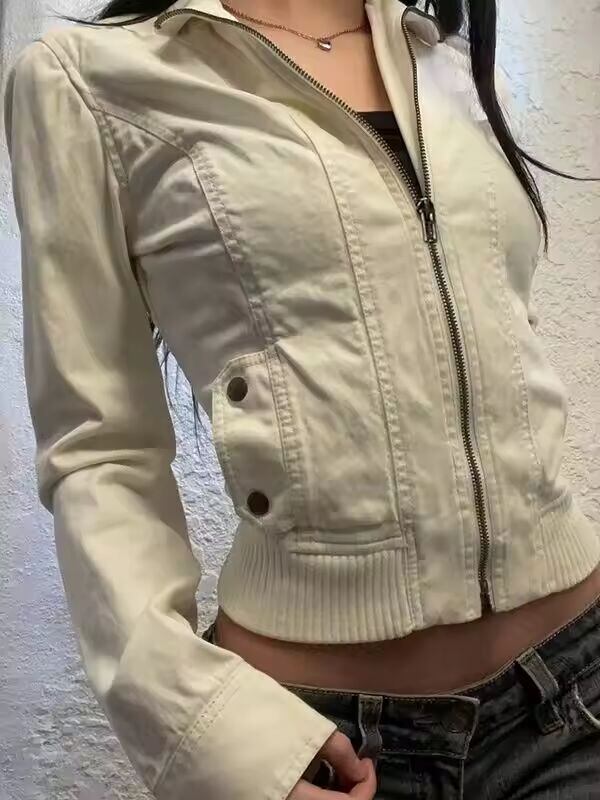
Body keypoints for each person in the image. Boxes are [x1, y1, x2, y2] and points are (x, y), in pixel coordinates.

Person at [4, 0, 600, 797]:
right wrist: (213, 734)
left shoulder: (443, 59)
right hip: (329, 746)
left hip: (576, 692)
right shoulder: (91, 82)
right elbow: (99, 452)